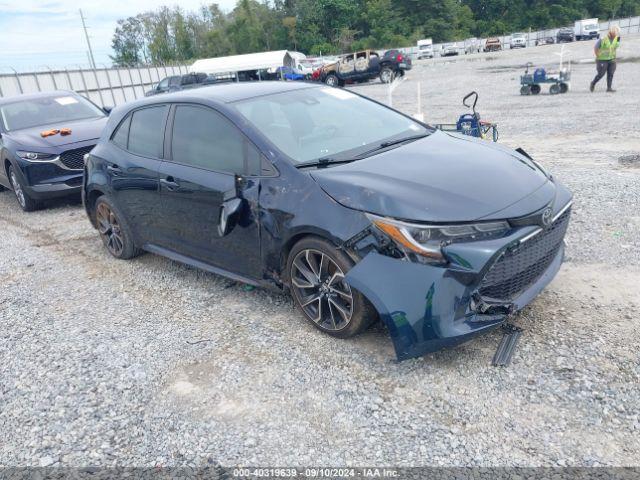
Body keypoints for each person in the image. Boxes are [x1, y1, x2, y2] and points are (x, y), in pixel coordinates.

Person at [590, 25, 621, 93]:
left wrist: (614, 56)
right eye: (616, 32)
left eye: (618, 33)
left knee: (611, 74)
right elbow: (596, 48)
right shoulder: (603, 38)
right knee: (601, 74)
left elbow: (616, 46)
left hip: (612, 59)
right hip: (602, 59)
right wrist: (598, 56)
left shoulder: (617, 38)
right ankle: (593, 83)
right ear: (612, 32)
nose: (617, 34)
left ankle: (609, 88)